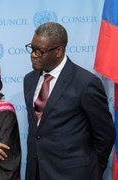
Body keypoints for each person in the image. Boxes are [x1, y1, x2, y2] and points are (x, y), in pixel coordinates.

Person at [23, 22, 115, 180]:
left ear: (58, 50)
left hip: (75, 174)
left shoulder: (86, 83)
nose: (33, 54)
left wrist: (91, 169)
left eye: (40, 51)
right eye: (32, 48)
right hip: (36, 173)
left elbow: (104, 135)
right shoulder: (29, 80)